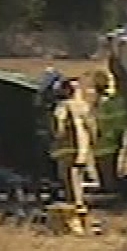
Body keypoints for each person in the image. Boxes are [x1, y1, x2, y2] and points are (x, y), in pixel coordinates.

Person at [48, 78, 94, 218]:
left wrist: (56, 136)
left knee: (69, 178)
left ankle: (74, 206)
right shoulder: (84, 106)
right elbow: (92, 126)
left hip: (67, 148)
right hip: (82, 148)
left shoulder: (63, 106)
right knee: (77, 177)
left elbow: (58, 125)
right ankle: (79, 204)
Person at [90, 72, 127, 195]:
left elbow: (118, 121)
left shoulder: (111, 101)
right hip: (102, 143)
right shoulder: (102, 100)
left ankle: (112, 194)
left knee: (108, 171)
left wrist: (111, 135)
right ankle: (106, 187)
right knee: (103, 169)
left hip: (108, 143)